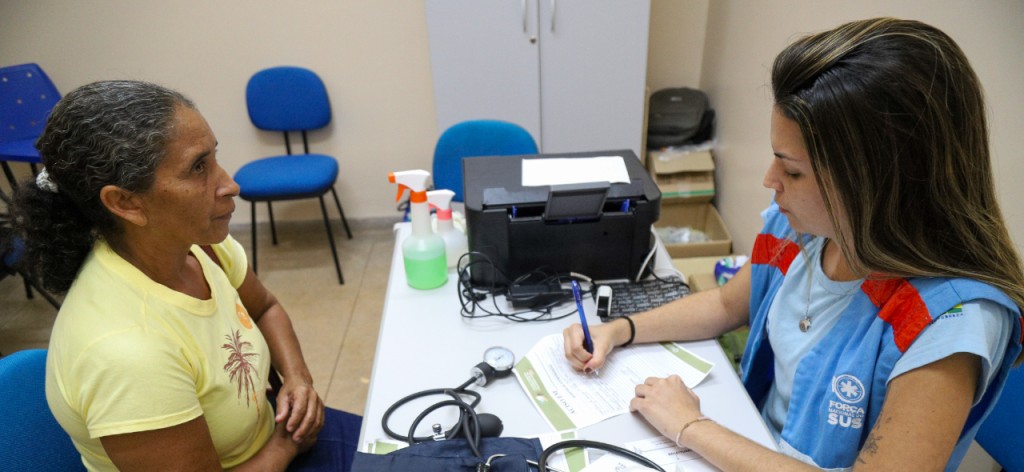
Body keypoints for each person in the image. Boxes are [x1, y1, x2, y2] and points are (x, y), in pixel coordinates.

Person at [562, 18, 1023, 471]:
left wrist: (691, 426)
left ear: (880, 184)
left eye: (793, 171)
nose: (770, 180)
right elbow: (725, 304)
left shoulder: (951, 322)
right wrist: (618, 330)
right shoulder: (805, 227)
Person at [10, 80, 360, 471]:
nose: (230, 185)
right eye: (198, 168)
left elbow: (264, 308)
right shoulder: (126, 352)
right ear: (125, 202)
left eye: (213, 157)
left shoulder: (197, 244)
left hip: (272, 438)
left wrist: (297, 378)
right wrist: (286, 446)